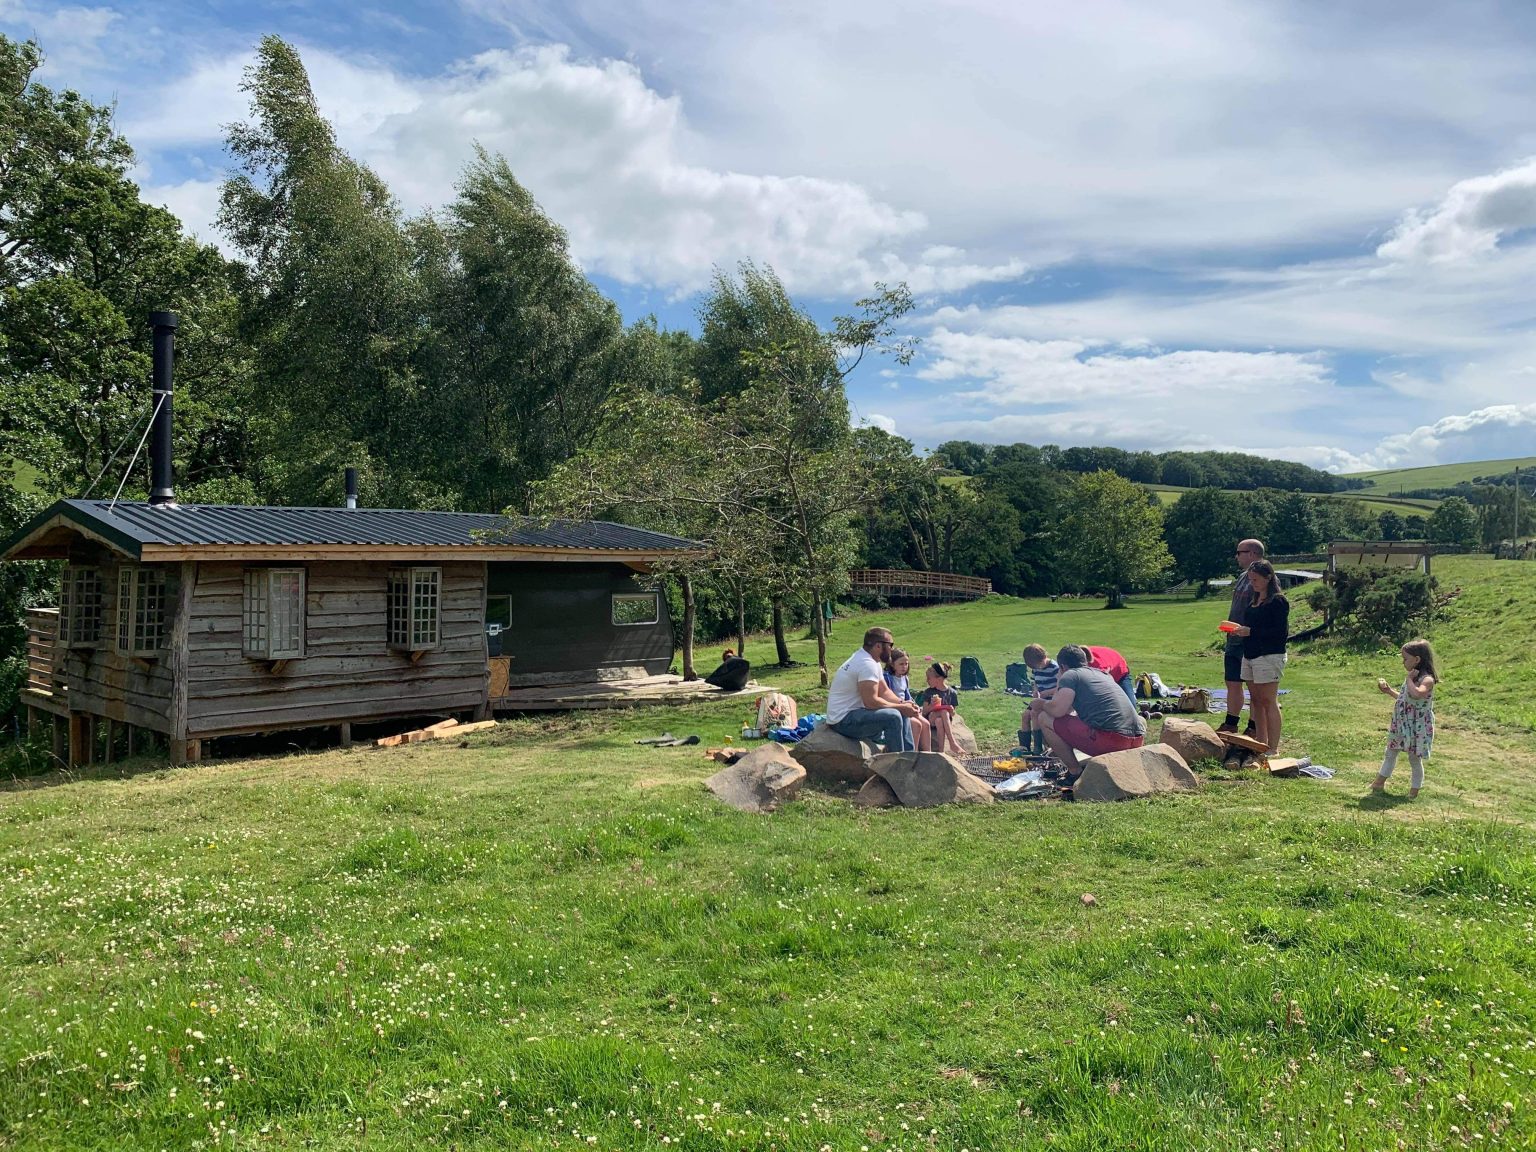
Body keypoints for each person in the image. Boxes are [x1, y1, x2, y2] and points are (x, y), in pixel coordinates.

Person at [1031, 645, 1146, 777]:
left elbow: (1058, 711)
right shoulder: (1101, 673)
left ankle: (1075, 772)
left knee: (1045, 718)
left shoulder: (1070, 675)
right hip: (1136, 740)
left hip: (1113, 741)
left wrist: (1040, 703)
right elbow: (1069, 710)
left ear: (1062, 667)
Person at [825, 627, 921, 752]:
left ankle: (909, 758)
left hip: (853, 714)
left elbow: (884, 691)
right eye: (890, 645)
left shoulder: (872, 661)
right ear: (878, 646)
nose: (892, 649)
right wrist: (901, 707)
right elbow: (870, 702)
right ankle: (897, 764)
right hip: (842, 721)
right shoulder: (866, 664)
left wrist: (903, 703)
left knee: (901, 710)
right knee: (893, 716)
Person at [1230, 559, 1288, 753]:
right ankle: (1261, 742)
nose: (1252, 583)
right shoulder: (1253, 601)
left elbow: (1279, 633)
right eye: (1250, 579)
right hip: (1250, 655)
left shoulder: (1278, 601)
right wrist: (1239, 631)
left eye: (1256, 579)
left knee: (1268, 700)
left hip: (1269, 655)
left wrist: (1251, 632)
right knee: (1255, 700)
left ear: (1268, 578)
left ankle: (1273, 747)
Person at [1371, 638, 1437, 798]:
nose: (1403, 662)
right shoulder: (1413, 678)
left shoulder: (1427, 679)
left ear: (1417, 659)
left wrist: (1408, 680)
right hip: (1401, 723)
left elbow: (1418, 694)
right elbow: (1405, 698)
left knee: (1414, 758)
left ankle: (1414, 791)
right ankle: (1378, 783)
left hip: (1417, 726)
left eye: (1405, 659)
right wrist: (1389, 691)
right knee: (1391, 751)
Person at [1219, 539, 1265, 735]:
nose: (1236, 556)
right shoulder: (1242, 577)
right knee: (1232, 682)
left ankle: (1253, 727)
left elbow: (1266, 611)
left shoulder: (1265, 578)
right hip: (1234, 639)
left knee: (1253, 687)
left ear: (1252, 554)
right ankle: (1231, 722)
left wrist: (1250, 630)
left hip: (1250, 641)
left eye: (1240, 552)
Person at [884, 647, 932, 751]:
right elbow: (886, 696)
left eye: (906, 664)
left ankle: (927, 754)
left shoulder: (904, 678)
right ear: (892, 664)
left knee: (926, 724)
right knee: (916, 725)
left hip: (907, 706)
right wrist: (905, 704)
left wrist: (914, 705)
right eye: (901, 664)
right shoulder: (887, 677)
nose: (904, 667)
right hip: (897, 708)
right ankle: (911, 755)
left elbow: (907, 695)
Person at [1018, 643, 1060, 755]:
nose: (1038, 668)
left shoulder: (1055, 668)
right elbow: (1035, 682)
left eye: (1039, 665)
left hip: (1050, 699)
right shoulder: (1036, 669)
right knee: (1025, 715)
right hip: (1040, 697)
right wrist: (1035, 690)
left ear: (1044, 657)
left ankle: (1039, 745)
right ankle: (1024, 746)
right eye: (1035, 667)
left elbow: (1060, 687)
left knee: (1035, 714)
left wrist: (1047, 692)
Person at [921, 660, 964, 756]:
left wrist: (952, 711)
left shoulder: (952, 692)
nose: (927, 680)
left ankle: (941, 752)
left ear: (939, 679)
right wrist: (932, 706)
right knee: (943, 711)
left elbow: (953, 713)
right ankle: (952, 743)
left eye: (929, 678)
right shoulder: (929, 692)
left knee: (940, 721)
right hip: (931, 719)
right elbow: (924, 712)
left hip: (943, 721)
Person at [1081, 644, 1136, 709]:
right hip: (1103, 661)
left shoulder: (1100, 667)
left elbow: (1102, 690)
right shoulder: (1069, 662)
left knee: (1130, 707)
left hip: (1120, 674)